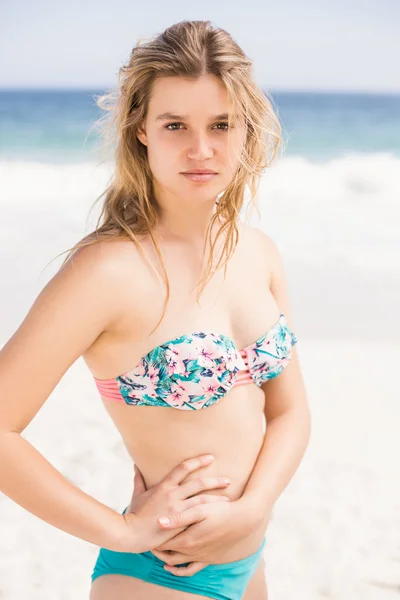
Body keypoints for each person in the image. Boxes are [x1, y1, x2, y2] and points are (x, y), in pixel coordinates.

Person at [0, 19, 311, 600]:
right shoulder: (108, 271)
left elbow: (290, 413)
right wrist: (122, 528)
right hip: (159, 579)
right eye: (176, 126)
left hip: (251, 564)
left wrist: (253, 508)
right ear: (141, 130)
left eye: (221, 124)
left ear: (247, 129)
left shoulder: (258, 253)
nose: (202, 149)